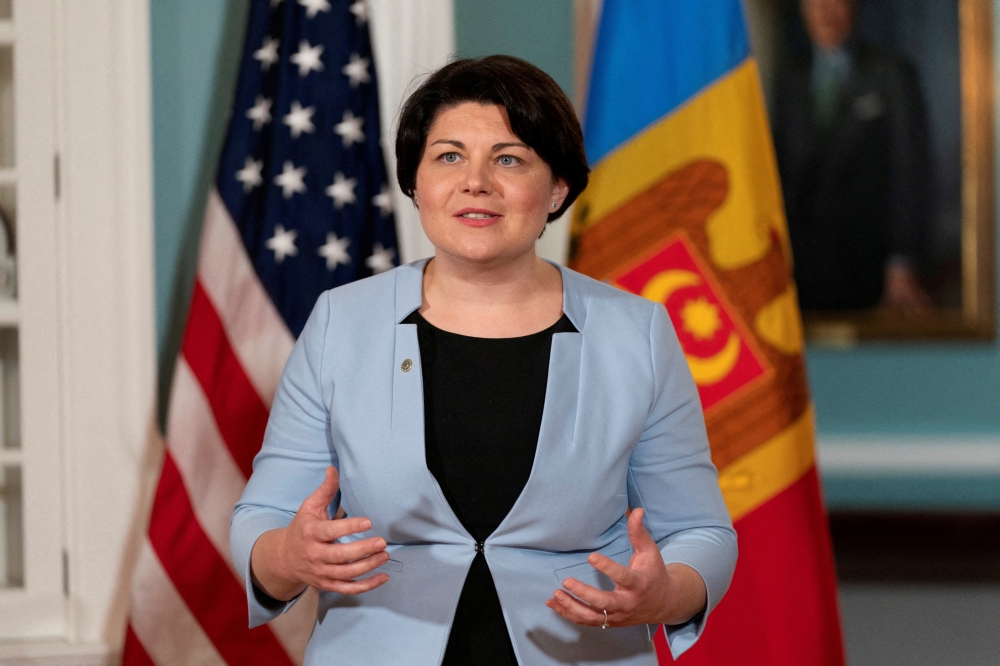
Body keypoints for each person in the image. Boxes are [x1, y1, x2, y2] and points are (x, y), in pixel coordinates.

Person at [230, 55, 737, 665]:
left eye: (509, 158)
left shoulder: (638, 332)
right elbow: (265, 515)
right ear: (414, 181)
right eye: (448, 156)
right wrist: (289, 555)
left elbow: (700, 532)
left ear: (556, 189)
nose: (476, 181)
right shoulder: (342, 321)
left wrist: (666, 594)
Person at [772, 0, 933, 311]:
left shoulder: (891, 73)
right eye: (814, 3)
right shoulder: (790, 77)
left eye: (834, 1)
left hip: (871, 266)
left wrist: (902, 261)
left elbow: (910, 172)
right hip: (803, 271)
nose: (824, 12)